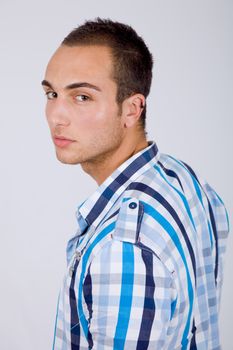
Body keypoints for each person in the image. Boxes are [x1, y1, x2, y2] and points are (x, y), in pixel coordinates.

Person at [42, 18, 229, 350]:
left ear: (131, 109)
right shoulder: (183, 179)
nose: (56, 114)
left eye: (82, 97)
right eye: (52, 93)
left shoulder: (123, 248)